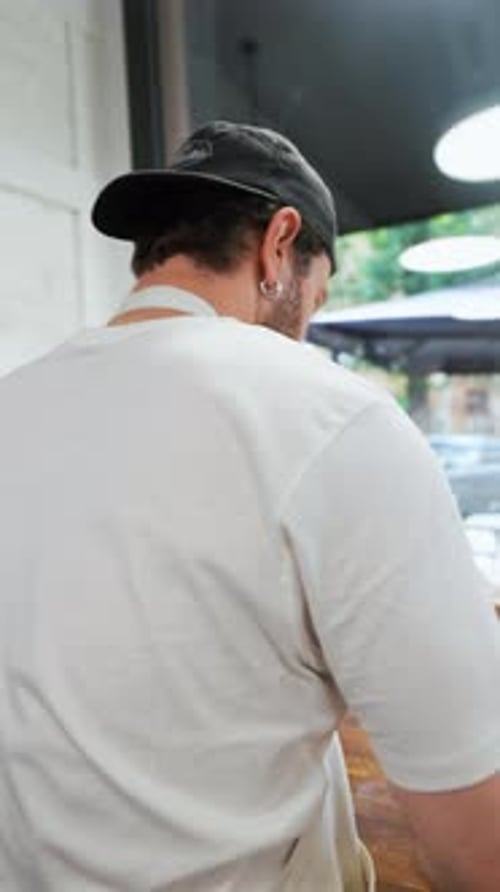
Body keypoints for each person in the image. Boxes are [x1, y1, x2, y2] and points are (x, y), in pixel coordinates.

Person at [0, 120, 498, 892]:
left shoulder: (13, 405)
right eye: (318, 298)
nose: (305, 329)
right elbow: (476, 850)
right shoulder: (333, 419)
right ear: (279, 245)